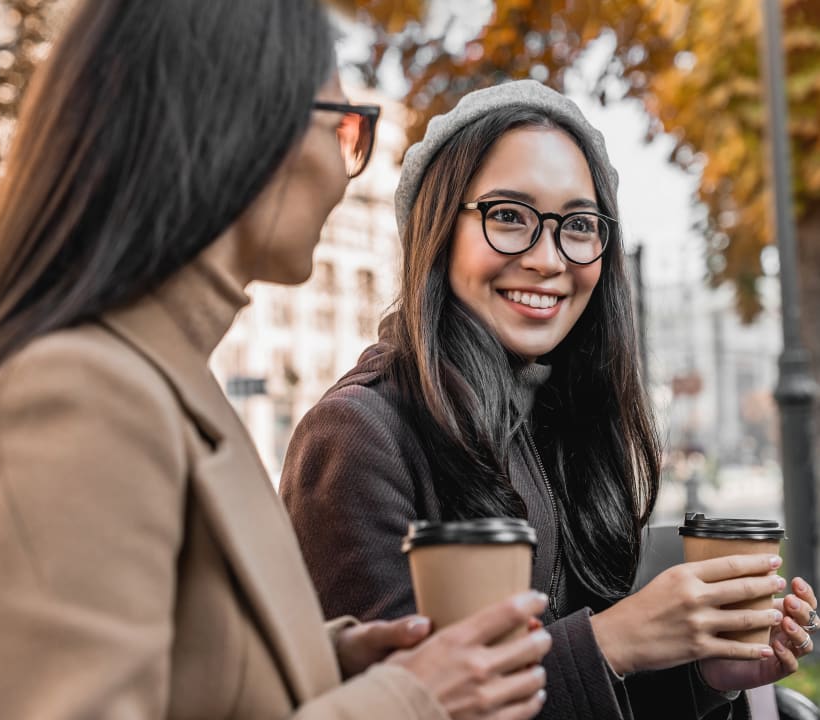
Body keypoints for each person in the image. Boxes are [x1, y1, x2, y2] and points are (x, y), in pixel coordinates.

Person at [0, 5, 553, 719]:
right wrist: (407, 700)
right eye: (346, 128)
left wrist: (326, 668)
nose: (348, 176)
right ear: (248, 126)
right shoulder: (74, 394)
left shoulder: (168, 383)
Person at [280, 80, 818, 720]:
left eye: (579, 225)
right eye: (508, 215)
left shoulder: (564, 421)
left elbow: (585, 696)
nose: (547, 257)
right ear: (437, 229)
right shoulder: (357, 433)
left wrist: (706, 674)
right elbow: (392, 708)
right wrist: (616, 638)